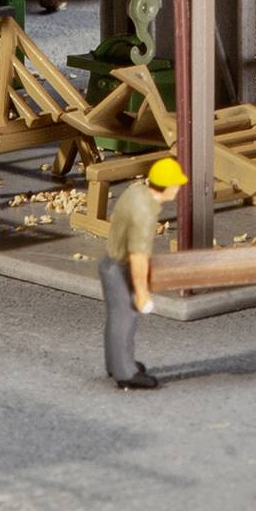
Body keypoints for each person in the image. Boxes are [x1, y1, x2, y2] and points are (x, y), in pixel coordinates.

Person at [101, 155, 183, 390]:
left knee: (116, 318)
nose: (177, 190)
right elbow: (138, 257)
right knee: (125, 318)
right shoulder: (146, 214)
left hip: (111, 260)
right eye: (176, 185)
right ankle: (125, 373)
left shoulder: (136, 191)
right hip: (120, 266)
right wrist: (143, 293)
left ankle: (115, 362)